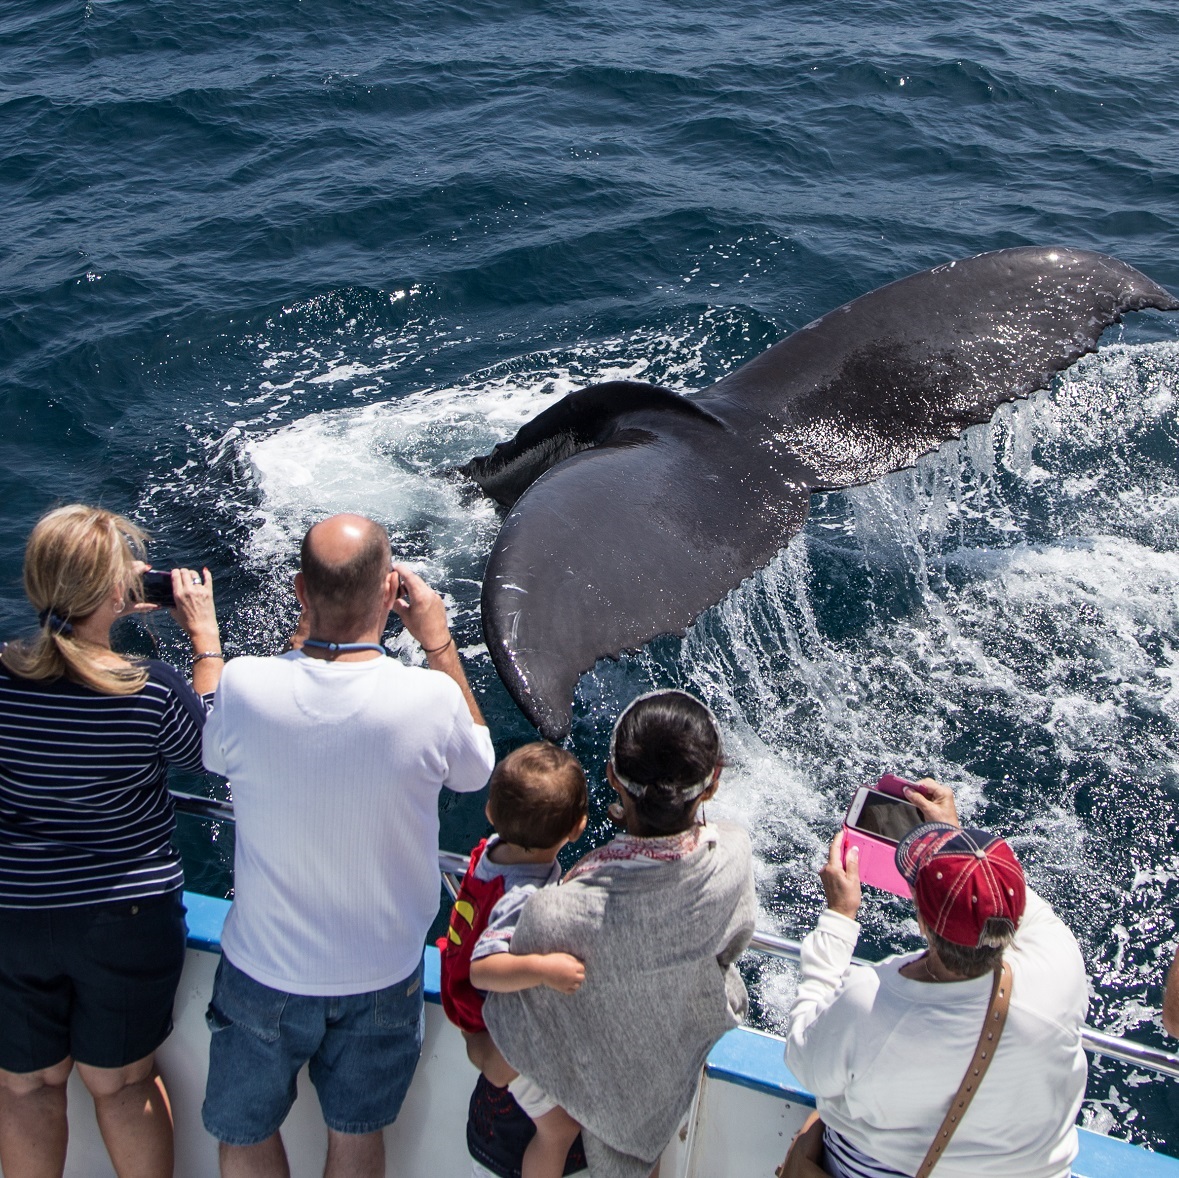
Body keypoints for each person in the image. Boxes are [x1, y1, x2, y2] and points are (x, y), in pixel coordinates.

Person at [200, 513, 495, 1178]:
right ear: (392, 593)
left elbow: (214, 752)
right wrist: (439, 643)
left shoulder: (245, 683)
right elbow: (476, 771)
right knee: (356, 1136)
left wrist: (300, 642)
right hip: (383, 971)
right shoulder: (426, 697)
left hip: (263, 971)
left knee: (243, 1134)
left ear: (300, 591)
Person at [0, 503, 221, 1178]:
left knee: (25, 1088)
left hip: (14, 915)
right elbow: (214, 746)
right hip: (125, 918)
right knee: (121, 1086)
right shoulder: (148, 690)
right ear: (113, 594)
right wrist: (204, 641)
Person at [484, 690, 757, 1178]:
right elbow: (729, 946)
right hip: (654, 1100)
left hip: (563, 1127)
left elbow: (500, 1061)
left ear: (611, 775)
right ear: (712, 783)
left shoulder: (553, 913)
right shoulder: (733, 858)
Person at [784, 779, 1089, 1178]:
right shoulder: (1062, 965)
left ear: (924, 923)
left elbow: (803, 1060)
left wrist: (838, 919)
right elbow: (1017, 906)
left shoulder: (871, 1001)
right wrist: (961, 844)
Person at [439, 742, 589, 1178]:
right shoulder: (524, 895)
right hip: (487, 1017)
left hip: (462, 999)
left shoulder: (491, 851)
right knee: (558, 1130)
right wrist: (546, 969)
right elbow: (485, 967)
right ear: (577, 828)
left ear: (490, 813)